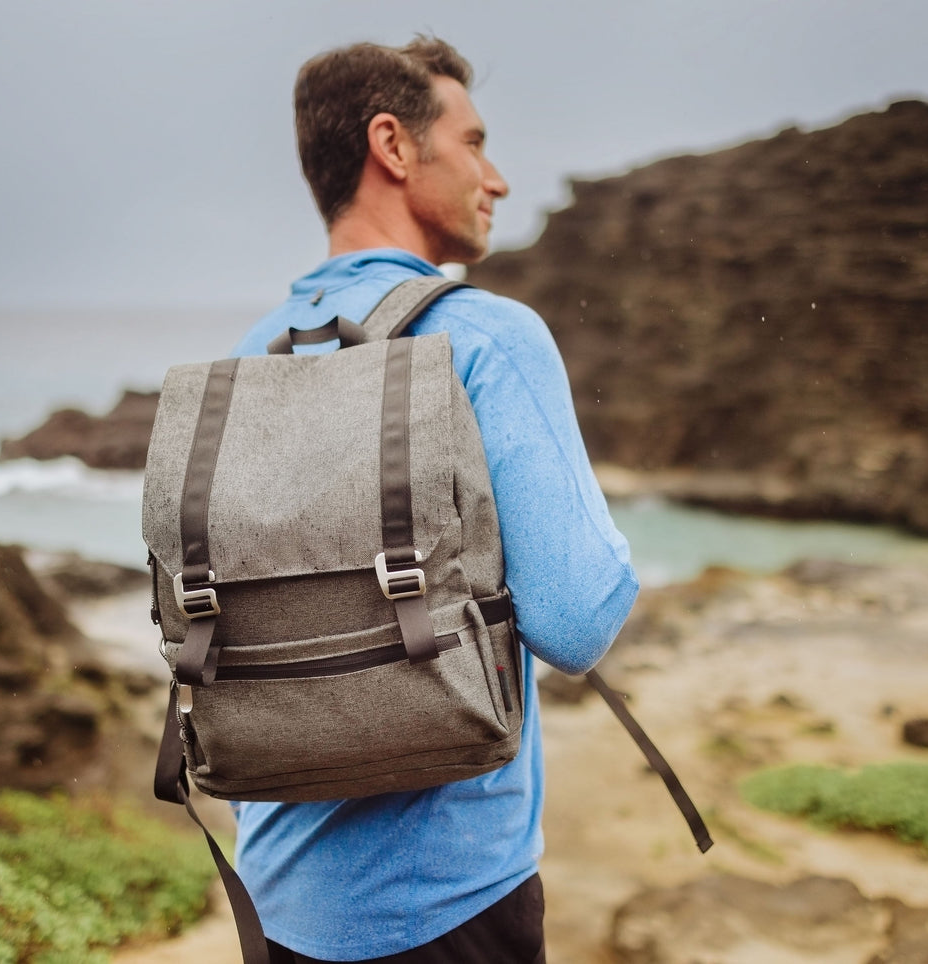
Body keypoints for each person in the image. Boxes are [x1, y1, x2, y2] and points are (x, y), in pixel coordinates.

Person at [228, 35, 639, 963]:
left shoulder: (255, 351)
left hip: (275, 895)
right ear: (394, 146)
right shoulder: (486, 336)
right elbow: (576, 621)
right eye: (473, 143)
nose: (494, 178)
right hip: (445, 906)